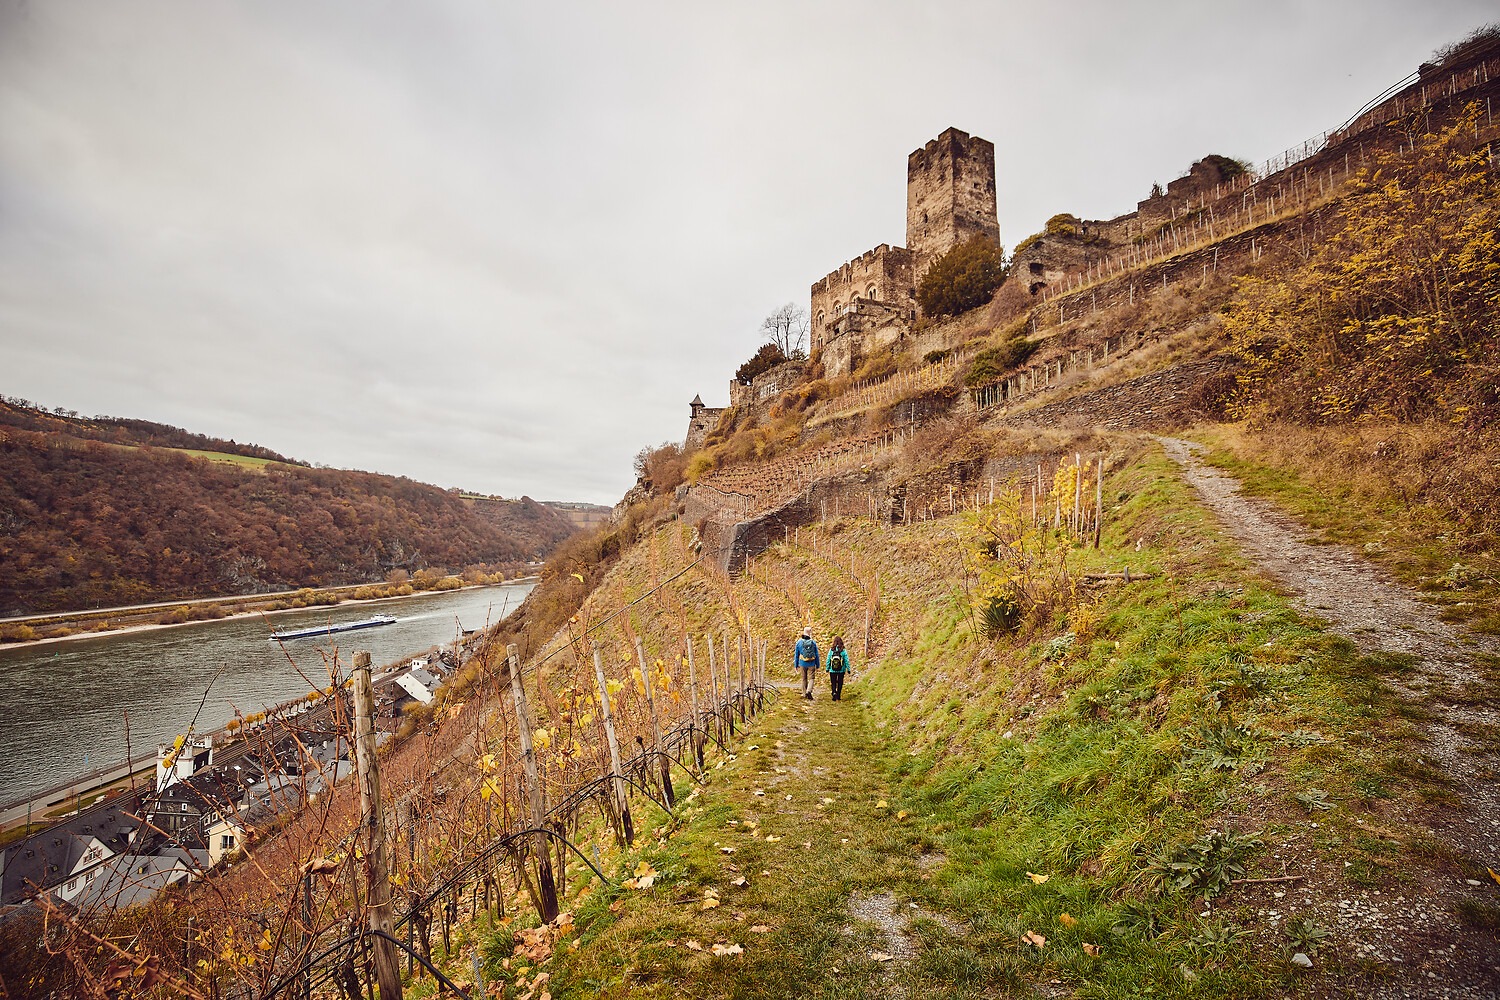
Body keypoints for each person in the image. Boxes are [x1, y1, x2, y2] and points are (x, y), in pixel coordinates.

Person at [794, 628, 821, 700]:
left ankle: (804, 693)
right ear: (810, 633)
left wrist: (796, 665)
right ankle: (809, 691)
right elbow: (816, 654)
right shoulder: (813, 642)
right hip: (812, 663)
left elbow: (796, 655)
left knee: (804, 678)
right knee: (811, 678)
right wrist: (817, 664)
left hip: (802, 663)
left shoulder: (799, 642)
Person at [825, 636, 850, 702]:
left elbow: (828, 659)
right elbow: (846, 660)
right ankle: (838, 695)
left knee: (833, 682)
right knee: (840, 682)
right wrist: (848, 669)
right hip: (841, 670)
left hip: (832, 670)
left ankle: (834, 692)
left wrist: (827, 668)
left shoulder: (831, 650)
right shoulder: (843, 650)